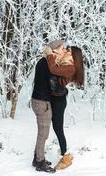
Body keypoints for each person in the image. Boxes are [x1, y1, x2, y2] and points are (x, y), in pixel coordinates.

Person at [44, 44, 85, 170]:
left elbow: (53, 69)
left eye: (69, 50)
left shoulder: (70, 67)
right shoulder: (67, 63)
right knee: (57, 127)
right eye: (66, 49)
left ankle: (65, 156)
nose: (66, 51)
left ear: (73, 55)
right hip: (56, 98)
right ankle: (64, 153)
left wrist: (49, 54)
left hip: (58, 101)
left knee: (58, 128)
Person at [31, 41, 66, 173]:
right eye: (61, 48)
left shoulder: (42, 61)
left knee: (42, 132)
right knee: (43, 134)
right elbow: (54, 87)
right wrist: (64, 91)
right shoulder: (48, 65)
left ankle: (37, 157)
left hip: (38, 100)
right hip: (42, 102)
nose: (63, 50)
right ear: (54, 50)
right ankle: (40, 162)